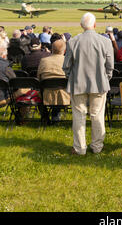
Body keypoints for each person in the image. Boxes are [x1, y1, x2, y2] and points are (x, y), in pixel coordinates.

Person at [63, 13, 114, 155]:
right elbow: (110, 66)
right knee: (97, 116)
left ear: (81, 26)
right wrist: (106, 78)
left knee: (79, 116)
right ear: (95, 25)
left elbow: (66, 65)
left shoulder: (73, 41)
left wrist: (72, 77)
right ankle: (97, 146)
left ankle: (80, 148)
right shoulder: (105, 41)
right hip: (98, 83)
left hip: (78, 84)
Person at [37, 39, 70, 124]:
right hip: (66, 94)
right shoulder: (69, 61)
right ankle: (54, 114)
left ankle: (46, 116)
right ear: (65, 50)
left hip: (47, 94)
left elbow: (39, 78)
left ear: (51, 49)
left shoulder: (44, 61)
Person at [0, 41, 16, 106]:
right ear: (4, 56)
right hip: (3, 97)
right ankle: (20, 115)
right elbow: (15, 82)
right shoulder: (5, 67)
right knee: (24, 90)